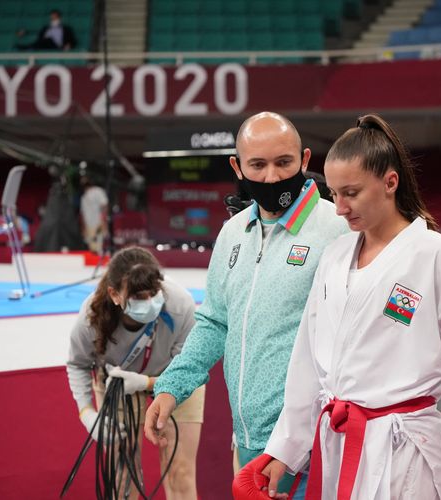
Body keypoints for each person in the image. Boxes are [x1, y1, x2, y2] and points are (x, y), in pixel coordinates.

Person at [258, 114, 441, 499]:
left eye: (351, 193)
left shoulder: (437, 257)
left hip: (402, 451)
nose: (339, 207)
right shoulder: (335, 256)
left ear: (390, 182)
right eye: (334, 193)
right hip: (338, 441)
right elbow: (307, 362)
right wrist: (285, 449)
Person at [144, 112, 349, 497]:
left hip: (311, 443)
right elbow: (214, 322)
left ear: (305, 160)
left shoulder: (336, 228)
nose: (271, 177)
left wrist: (302, 436)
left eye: (283, 163)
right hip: (249, 440)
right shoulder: (233, 232)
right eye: (258, 165)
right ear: (237, 167)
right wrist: (172, 387)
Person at [66, 246, 203, 499]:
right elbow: (77, 364)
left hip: (173, 379)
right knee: (121, 475)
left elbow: (190, 370)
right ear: (115, 294)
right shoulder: (91, 318)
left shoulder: (181, 305)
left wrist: (145, 381)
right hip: (118, 383)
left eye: (154, 293)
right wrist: (87, 414)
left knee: (180, 472)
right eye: (140, 296)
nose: (150, 301)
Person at [79, 175, 109, 254]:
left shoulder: (98, 191)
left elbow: (104, 206)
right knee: (92, 248)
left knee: (99, 246)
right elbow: (83, 214)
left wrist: (104, 220)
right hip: (89, 226)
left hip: (98, 223)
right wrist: (84, 227)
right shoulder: (84, 197)